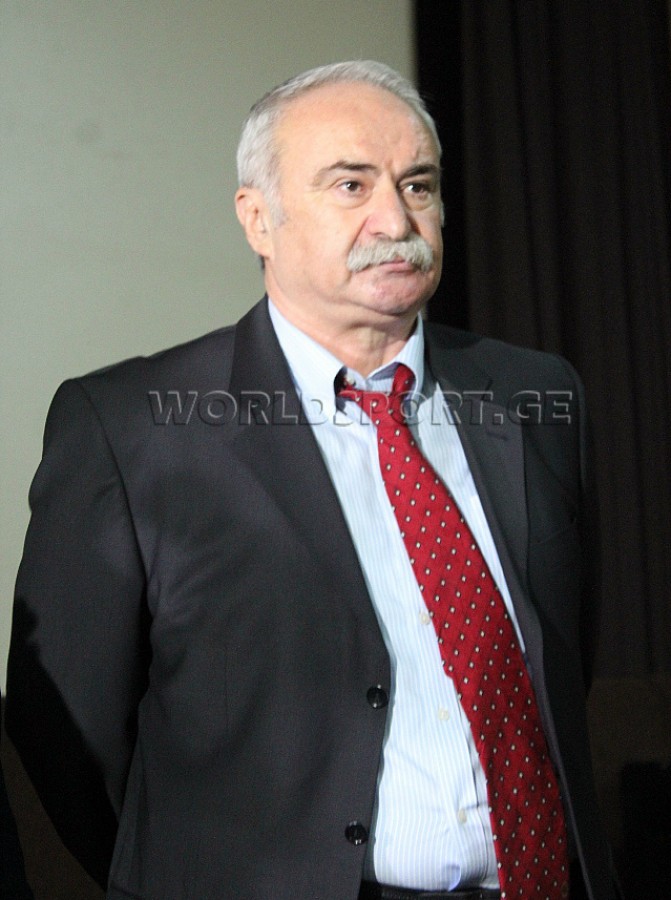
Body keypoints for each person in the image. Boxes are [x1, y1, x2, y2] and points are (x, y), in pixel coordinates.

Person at [5, 61, 620, 900]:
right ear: (257, 218)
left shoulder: (534, 395)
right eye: (350, 185)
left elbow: (558, 663)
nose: (394, 219)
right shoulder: (132, 428)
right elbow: (66, 732)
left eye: (417, 185)